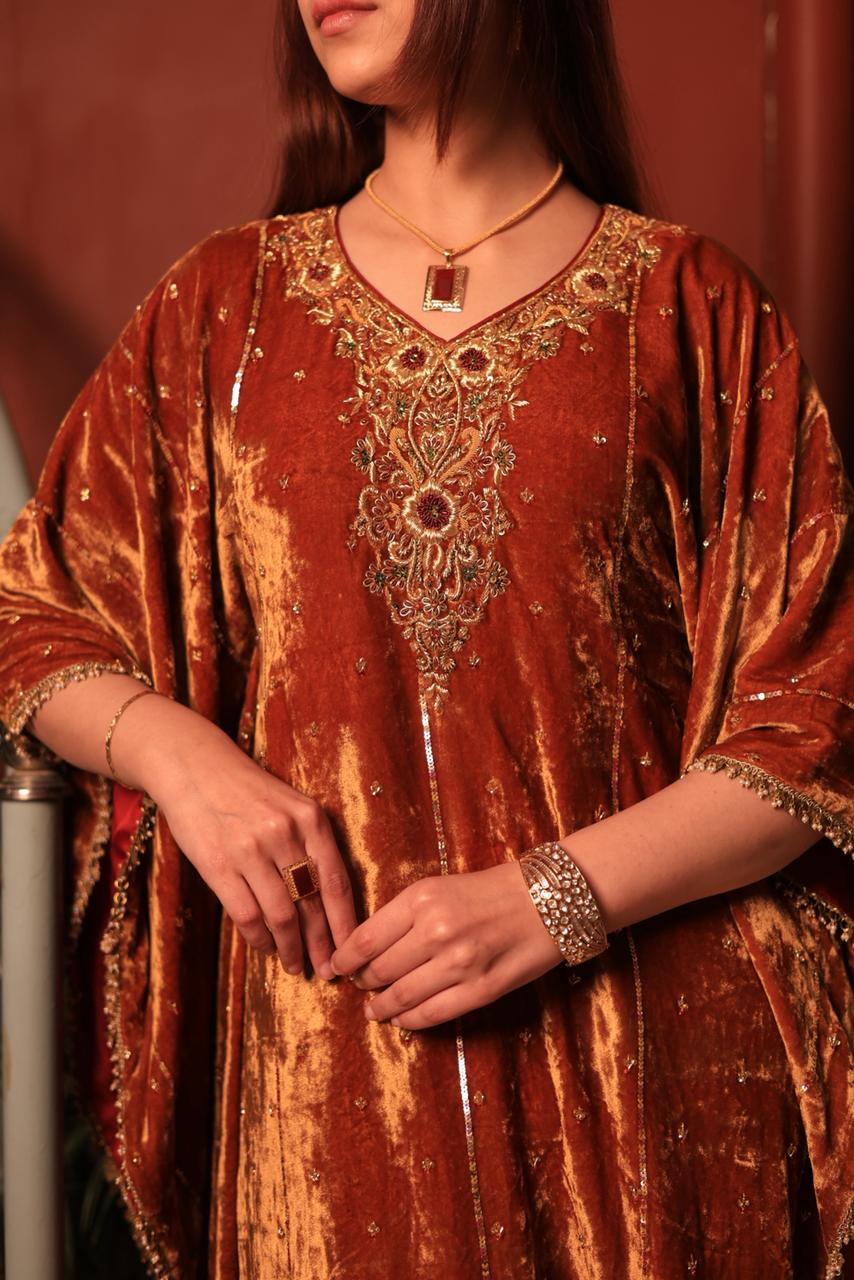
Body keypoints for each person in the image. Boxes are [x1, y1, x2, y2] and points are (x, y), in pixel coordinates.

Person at [0, 0, 852, 1275]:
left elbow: (811, 724)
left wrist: (549, 898)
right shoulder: (222, 309)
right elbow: (30, 614)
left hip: (635, 1097)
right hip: (319, 1103)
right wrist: (186, 761)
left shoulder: (688, 307)